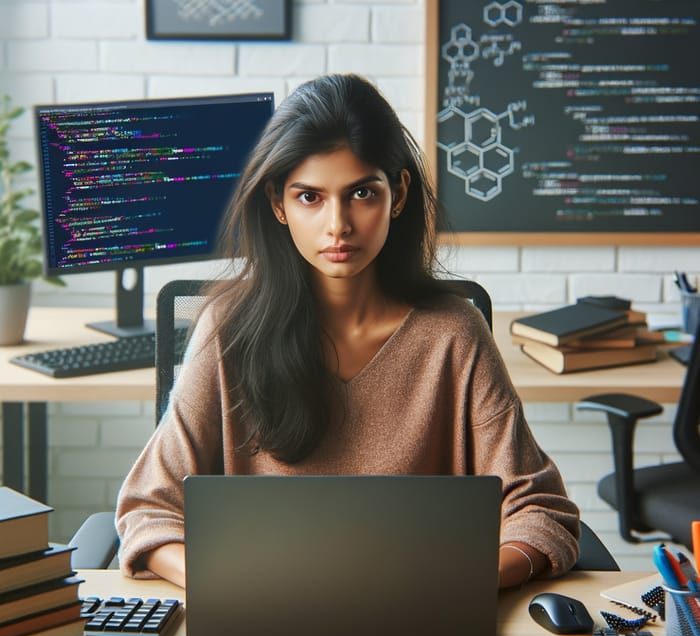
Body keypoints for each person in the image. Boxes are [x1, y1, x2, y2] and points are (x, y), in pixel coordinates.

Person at [116, 73, 580, 589]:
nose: (338, 225)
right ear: (278, 204)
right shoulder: (228, 330)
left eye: (361, 192)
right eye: (309, 197)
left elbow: (541, 512)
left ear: (398, 194)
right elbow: (147, 511)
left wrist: (457, 588)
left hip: (420, 621)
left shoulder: (454, 334)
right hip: (261, 614)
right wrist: (227, 585)